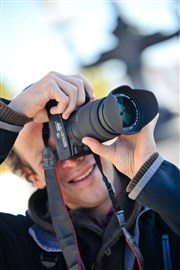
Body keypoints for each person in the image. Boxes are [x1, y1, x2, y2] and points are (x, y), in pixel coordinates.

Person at [0, 71, 180, 270]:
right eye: (50, 157)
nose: (73, 160)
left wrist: (153, 177)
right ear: (34, 177)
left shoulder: (166, 207)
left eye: (76, 136)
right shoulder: (16, 245)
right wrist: (13, 113)